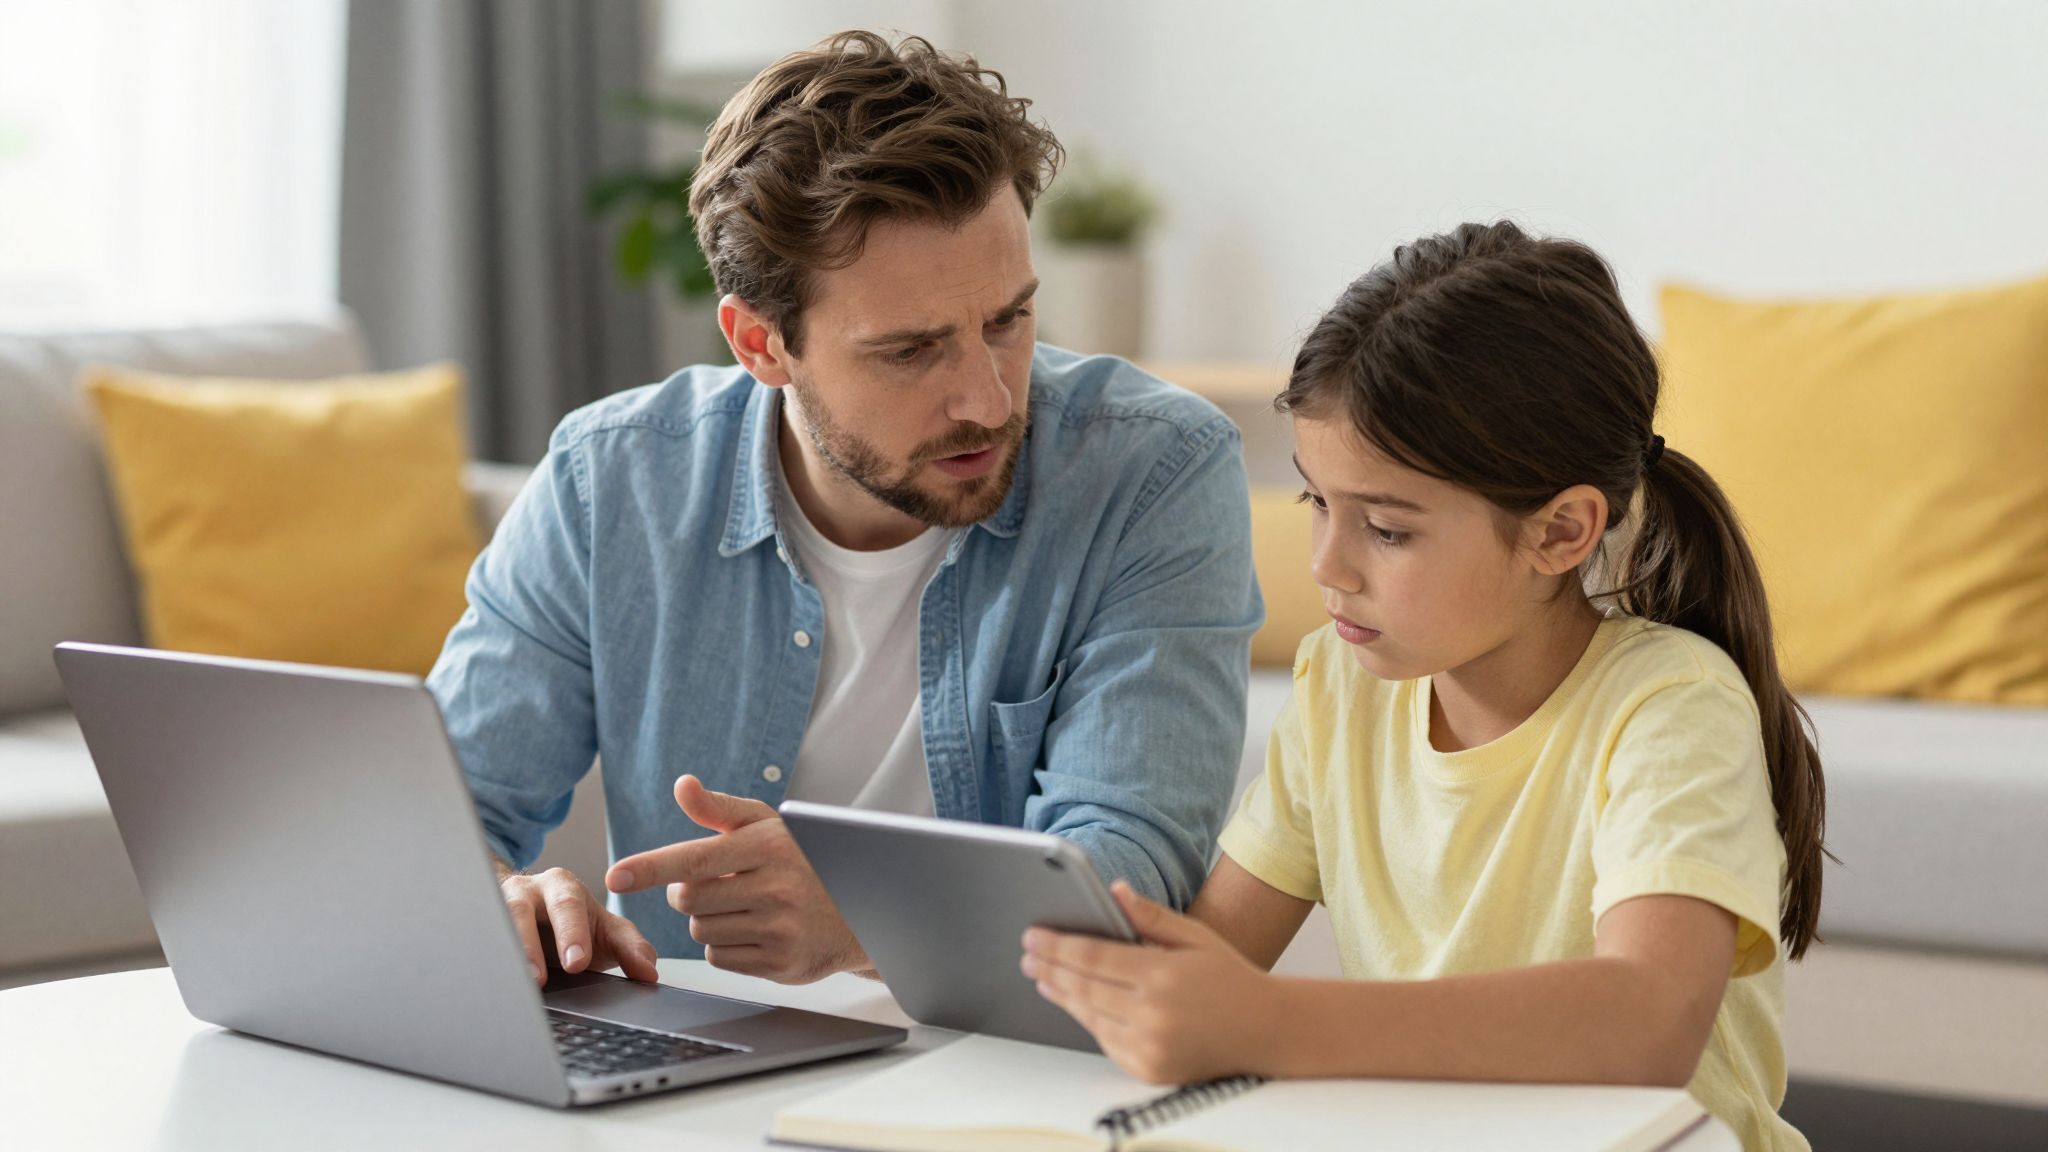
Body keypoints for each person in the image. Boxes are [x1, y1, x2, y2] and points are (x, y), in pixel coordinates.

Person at [426, 31, 1260, 988]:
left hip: (993, 1076)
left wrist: (872, 913)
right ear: (760, 344)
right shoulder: (608, 483)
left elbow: (1134, 875)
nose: (988, 400)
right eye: (910, 351)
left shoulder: (1153, 473)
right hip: (689, 1072)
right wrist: (496, 896)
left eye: (1009, 320)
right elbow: (441, 814)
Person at [1022, 221, 1822, 1151]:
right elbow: (1219, 948)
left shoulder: (1671, 705)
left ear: (1561, 533)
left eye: (1387, 530)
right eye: (1316, 502)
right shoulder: (1341, 686)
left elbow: (1646, 1020)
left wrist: (1268, 1022)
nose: (1329, 567)